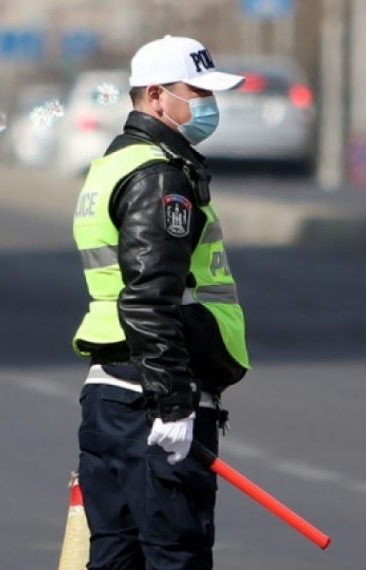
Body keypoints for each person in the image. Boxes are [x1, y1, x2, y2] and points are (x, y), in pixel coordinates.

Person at [70, 35, 250, 570]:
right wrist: (174, 403)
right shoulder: (159, 177)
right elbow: (149, 298)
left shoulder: (113, 165)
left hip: (112, 394)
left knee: (116, 558)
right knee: (175, 559)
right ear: (154, 96)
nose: (207, 106)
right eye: (195, 93)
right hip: (152, 402)